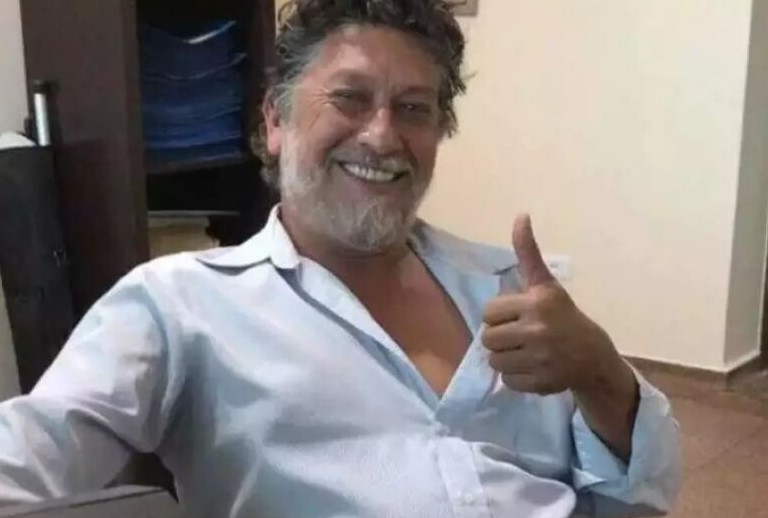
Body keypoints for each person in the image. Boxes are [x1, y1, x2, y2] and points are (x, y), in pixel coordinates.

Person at [0, 0, 680, 516]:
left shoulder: (508, 287)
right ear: (275, 120)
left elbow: (646, 494)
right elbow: (38, 445)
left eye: (413, 108)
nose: (382, 136)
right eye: (350, 98)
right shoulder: (178, 306)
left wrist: (601, 372)